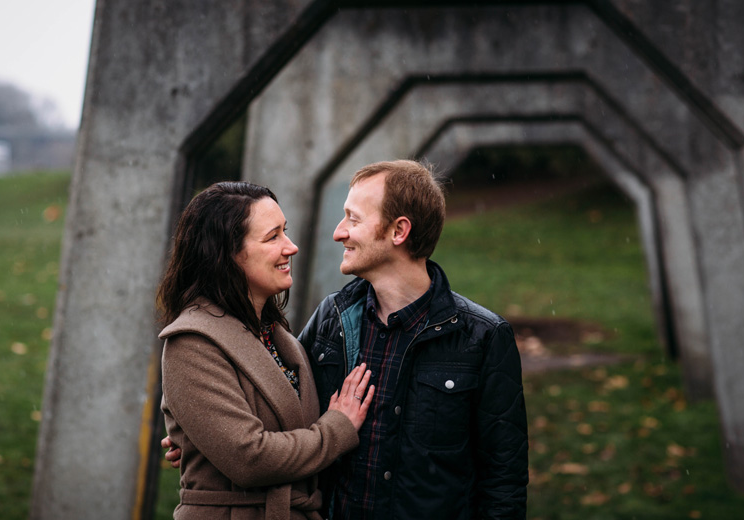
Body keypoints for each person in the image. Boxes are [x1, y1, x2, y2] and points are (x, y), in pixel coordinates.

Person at [165, 161, 528, 519]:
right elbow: (277, 413)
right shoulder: (331, 320)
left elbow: (503, 486)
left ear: (399, 231)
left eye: (353, 219)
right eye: (273, 236)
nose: (338, 232)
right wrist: (201, 437)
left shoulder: (482, 337)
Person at [156, 181, 375, 520]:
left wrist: (201, 440)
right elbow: (250, 459)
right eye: (273, 237)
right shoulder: (192, 342)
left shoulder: (277, 336)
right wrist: (338, 429)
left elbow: (275, 430)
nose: (291, 247)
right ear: (226, 254)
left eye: (284, 232)